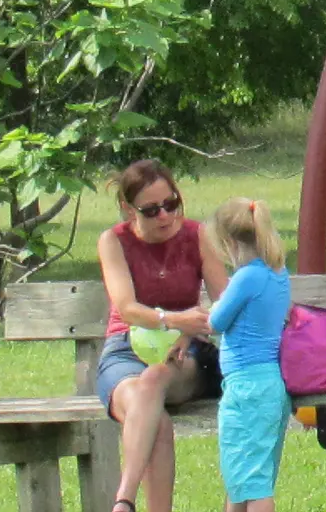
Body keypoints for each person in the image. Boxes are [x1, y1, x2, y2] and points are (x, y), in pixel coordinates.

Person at [96, 160, 228, 512]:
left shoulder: (198, 236)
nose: (165, 216)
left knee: (153, 380)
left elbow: (226, 303)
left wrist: (191, 328)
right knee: (154, 417)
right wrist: (173, 320)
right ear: (128, 209)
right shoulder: (114, 241)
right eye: (151, 210)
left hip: (183, 355)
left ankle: (123, 500)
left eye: (170, 204)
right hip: (125, 350)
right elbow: (126, 309)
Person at [203, 197, 292, 512]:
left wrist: (212, 306)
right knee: (243, 479)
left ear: (228, 242)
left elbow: (216, 321)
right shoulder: (278, 273)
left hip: (246, 388)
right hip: (271, 385)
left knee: (252, 486)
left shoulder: (246, 277)